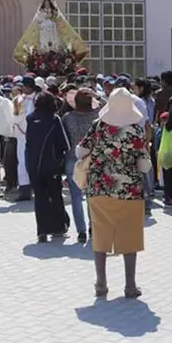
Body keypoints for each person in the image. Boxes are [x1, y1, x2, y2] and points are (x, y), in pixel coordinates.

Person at [77, 87, 150, 299]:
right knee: (130, 236)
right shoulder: (136, 130)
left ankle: (101, 283)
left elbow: (80, 151)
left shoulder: (98, 126)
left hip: (99, 187)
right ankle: (130, 286)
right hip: (130, 191)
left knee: (100, 234)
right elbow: (144, 165)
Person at [25, 92, 70, 243]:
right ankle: (59, 227)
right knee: (55, 195)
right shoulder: (54, 119)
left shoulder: (30, 118)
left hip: (33, 164)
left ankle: (42, 231)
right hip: (51, 164)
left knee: (40, 197)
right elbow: (63, 144)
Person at [61, 88, 99, 244]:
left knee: (76, 197)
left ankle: (81, 231)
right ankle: (92, 227)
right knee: (91, 196)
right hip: (92, 159)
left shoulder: (67, 117)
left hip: (73, 158)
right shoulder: (97, 117)